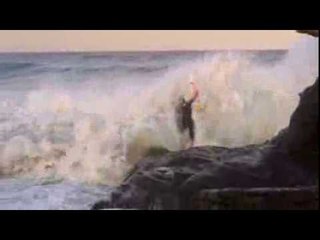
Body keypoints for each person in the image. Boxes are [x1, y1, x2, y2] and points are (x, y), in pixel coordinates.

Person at [175, 76, 199, 149]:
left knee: (183, 134)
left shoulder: (178, 107)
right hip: (187, 121)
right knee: (190, 134)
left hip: (183, 122)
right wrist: (193, 84)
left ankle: (184, 146)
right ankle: (190, 145)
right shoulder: (186, 104)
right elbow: (196, 94)